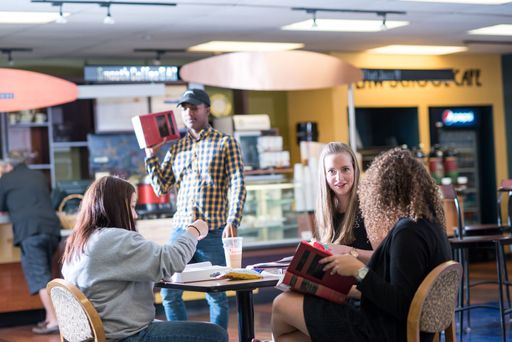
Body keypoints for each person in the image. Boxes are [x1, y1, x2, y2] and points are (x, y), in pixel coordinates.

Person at [271, 148, 452, 342]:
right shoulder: (428, 226)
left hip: (384, 332)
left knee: (281, 304)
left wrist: (359, 271)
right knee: (289, 339)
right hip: (401, 329)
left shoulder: (407, 234)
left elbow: (401, 304)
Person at [61, 176, 228, 342]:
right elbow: (171, 260)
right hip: (126, 336)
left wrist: (155, 266)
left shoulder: (79, 241)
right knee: (216, 334)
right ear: (115, 207)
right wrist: (193, 230)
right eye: (132, 207)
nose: (135, 215)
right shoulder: (115, 239)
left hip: (99, 335)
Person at [144, 88, 246, 328]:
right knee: (169, 292)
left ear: (207, 110)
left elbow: (237, 183)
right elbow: (161, 187)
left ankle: (217, 337)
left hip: (213, 231)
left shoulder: (225, 143)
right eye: (184, 108)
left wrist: (234, 219)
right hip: (182, 231)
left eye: (194, 107)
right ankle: (182, 336)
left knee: (217, 293)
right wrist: (151, 156)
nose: (188, 112)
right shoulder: (176, 148)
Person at [0, 154, 61, 335]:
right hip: (52, 229)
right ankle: (50, 318)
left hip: (30, 232)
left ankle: (54, 321)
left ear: (8, 166)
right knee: (48, 274)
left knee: (40, 276)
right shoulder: (38, 175)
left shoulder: (6, 179)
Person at [313, 142, 372, 263]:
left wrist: (347, 251)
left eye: (345, 169)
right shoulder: (325, 210)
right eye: (331, 171)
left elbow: (384, 256)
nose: (339, 178)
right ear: (324, 175)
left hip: (366, 279)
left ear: (355, 170)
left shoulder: (369, 207)